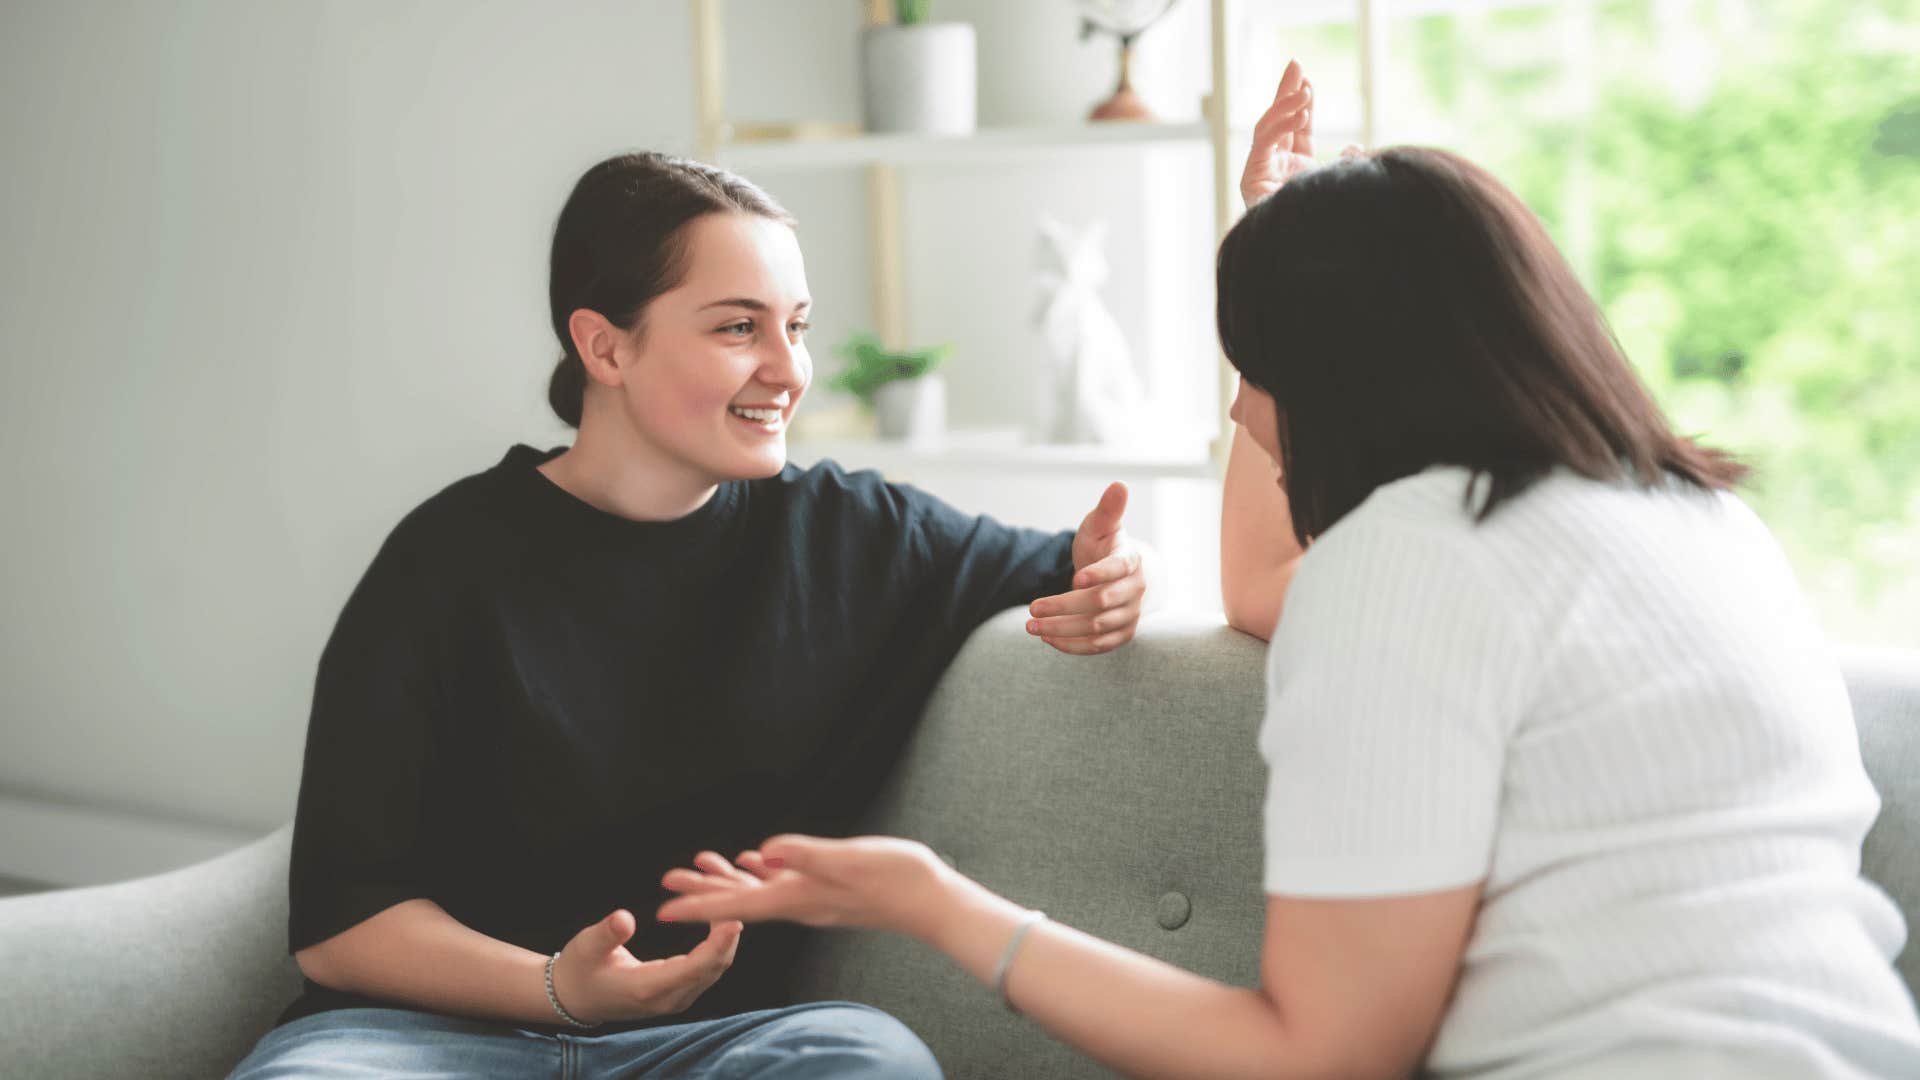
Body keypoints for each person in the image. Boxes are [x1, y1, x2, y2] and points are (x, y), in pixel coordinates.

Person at [653, 62, 1920, 1079]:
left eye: (1254, 369)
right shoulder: (1695, 524)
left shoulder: (1410, 570)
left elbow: (1318, 1055)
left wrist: (937, 905)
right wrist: (1278, 225)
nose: (1247, 414)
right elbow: (1268, 587)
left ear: (1337, 375)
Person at [226, 150, 1156, 1078]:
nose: (789, 370)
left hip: (709, 1047)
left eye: (797, 325)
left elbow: (1079, 563)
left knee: (870, 1058)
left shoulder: (853, 533)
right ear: (605, 346)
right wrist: (557, 989)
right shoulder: (445, 560)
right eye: (738, 328)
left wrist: (1119, 575)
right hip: (420, 1040)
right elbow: (341, 928)